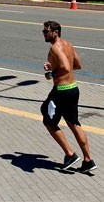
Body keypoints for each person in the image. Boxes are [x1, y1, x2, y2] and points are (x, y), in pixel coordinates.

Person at [40, 20, 97, 173]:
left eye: (46, 31)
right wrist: (53, 68)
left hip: (61, 91)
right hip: (73, 89)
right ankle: (88, 160)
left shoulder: (55, 48)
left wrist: (52, 72)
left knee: (48, 120)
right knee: (74, 124)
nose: (44, 34)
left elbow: (65, 67)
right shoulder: (68, 45)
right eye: (43, 31)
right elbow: (77, 65)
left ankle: (70, 154)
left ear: (55, 32)